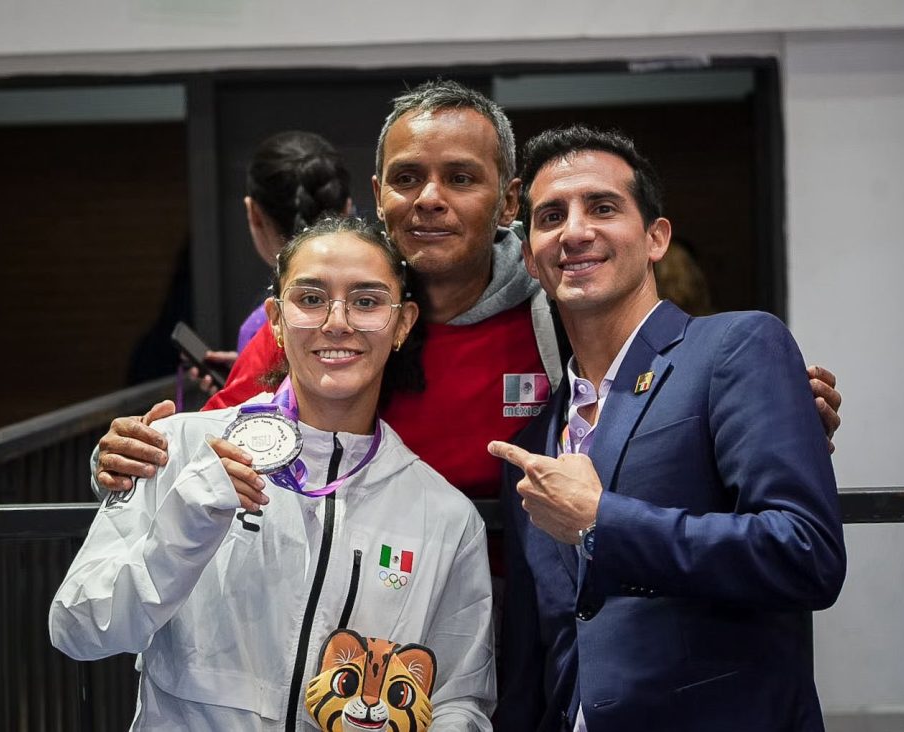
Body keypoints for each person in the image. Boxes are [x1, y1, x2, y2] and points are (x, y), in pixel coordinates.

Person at [92, 80, 842, 506]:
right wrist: (128, 460)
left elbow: (669, 405)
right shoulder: (328, 318)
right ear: (378, 194)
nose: (429, 199)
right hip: (357, 635)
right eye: (408, 178)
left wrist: (760, 414)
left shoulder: (561, 307)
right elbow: (216, 439)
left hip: (533, 634)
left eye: (460, 178)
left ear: (508, 200)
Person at [50, 217, 495, 730]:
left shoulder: (445, 517)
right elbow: (79, 628)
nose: (337, 322)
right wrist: (183, 525)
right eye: (310, 299)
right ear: (276, 320)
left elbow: (461, 698)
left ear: (403, 324)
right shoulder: (177, 448)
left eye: (367, 301)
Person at [488, 126, 846, 731]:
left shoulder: (735, 348)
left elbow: (804, 553)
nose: (574, 231)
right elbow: (534, 658)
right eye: (551, 216)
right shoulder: (531, 444)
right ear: (530, 258)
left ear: (656, 238)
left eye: (602, 207)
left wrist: (602, 521)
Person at [193, 130, 353, 388]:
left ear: (253, 213)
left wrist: (244, 386)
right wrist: (250, 367)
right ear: (347, 210)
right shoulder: (385, 309)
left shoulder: (266, 323)